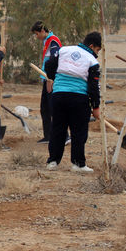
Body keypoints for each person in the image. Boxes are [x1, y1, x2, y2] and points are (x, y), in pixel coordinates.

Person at [44, 32, 102, 173]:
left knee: (58, 129)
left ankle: (52, 162)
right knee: (79, 132)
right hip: (79, 99)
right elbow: (93, 87)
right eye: (97, 50)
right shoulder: (92, 61)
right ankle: (78, 164)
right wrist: (96, 106)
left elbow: (49, 64)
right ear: (91, 46)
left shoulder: (63, 50)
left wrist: (53, 78)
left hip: (58, 96)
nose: (97, 54)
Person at [31, 21, 62, 144]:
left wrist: (51, 79)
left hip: (51, 80)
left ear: (42, 31)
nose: (36, 36)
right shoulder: (47, 42)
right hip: (46, 79)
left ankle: (64, 135)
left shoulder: (53, 41)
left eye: (36, 33)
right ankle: (48, 136)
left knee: (54, 108)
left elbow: (55, 60)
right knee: (45, 108)